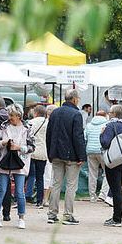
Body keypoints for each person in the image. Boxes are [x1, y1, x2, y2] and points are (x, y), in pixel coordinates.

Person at [46, 89, 86, 225]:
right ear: (74, 99)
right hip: (71, 155)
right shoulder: (76, 114)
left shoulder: (55, 112)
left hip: (56, 153)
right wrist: (81, 155)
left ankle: (52, 214)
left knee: (56, 184)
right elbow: (78, 137)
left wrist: (49, 153)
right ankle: (68, 215)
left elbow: (49, 134)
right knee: (71, 185)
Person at [0, 104, 35, 228]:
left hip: (21, 162)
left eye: (12, 115)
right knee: (2, 190)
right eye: (9, 115)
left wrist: (20, 148)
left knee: (19, 191)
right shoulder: (3, 126)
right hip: (4, 161)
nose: (9, 117)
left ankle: (21, 218)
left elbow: (32, 147)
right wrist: (3, 143)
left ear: (19, 116)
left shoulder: (27, 127)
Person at [100, 105, 122, 227]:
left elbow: (105, 143)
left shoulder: (110, 126)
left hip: (113, 161)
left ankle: (117, 218)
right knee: (118, 187)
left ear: (113, 113)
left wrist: (101, 134)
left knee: (116, 190)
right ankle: (117, 217)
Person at [25, 105, 49, 209]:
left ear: (35, 113)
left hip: (31, 151)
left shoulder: (31, 122)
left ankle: (26, 196)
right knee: (40, 177)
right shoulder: (48, 123)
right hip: (43, 152)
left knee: (28, 175)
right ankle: (40, 201)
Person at [84, 111, 110, 203]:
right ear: (105, 115)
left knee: (92, 174)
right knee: (107, 173)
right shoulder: (107, 124)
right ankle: (103, 194)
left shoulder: (89, 125)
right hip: (102, 151)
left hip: (90, 151)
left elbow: (85, 137)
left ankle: (92, 196)